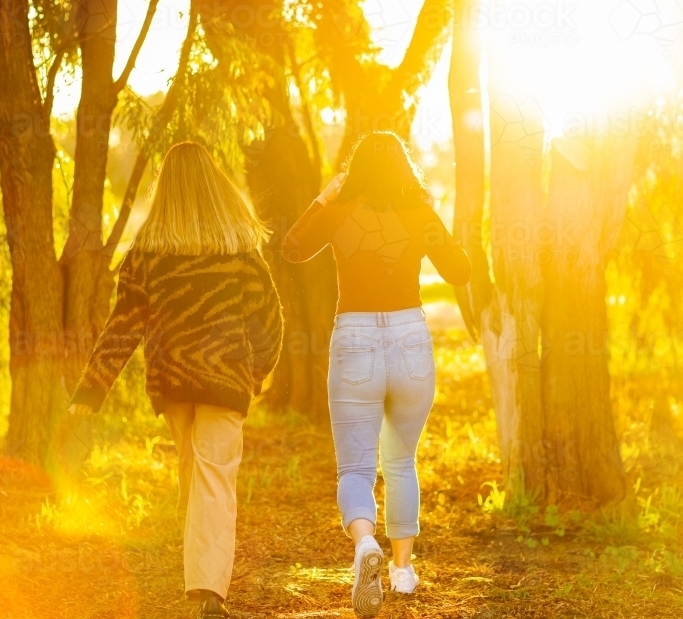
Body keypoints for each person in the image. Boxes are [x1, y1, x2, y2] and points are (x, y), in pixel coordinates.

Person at [67, 141, 283, 619]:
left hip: (172, 381)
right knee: (213, 477)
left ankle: (201, 584)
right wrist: (257, 371)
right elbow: (269, 320)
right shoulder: (239, 250)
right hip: (224, 379)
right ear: (214, 185)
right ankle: (208, 592)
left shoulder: (148, 252)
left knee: (195, 472)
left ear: (166, 189)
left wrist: (92, 388)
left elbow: (123, 324)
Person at [282, 131, 470, 616]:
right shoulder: (418, 212)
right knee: (401, 460)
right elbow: (461, 270)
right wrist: (430, 215)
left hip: (356, 339)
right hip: (410, 337)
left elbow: (293, 247)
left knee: (357, 469)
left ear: (357, 170)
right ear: (404, 169)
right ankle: (403, 572)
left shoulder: (341, 210)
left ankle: (365, 544)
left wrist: (325, 195)